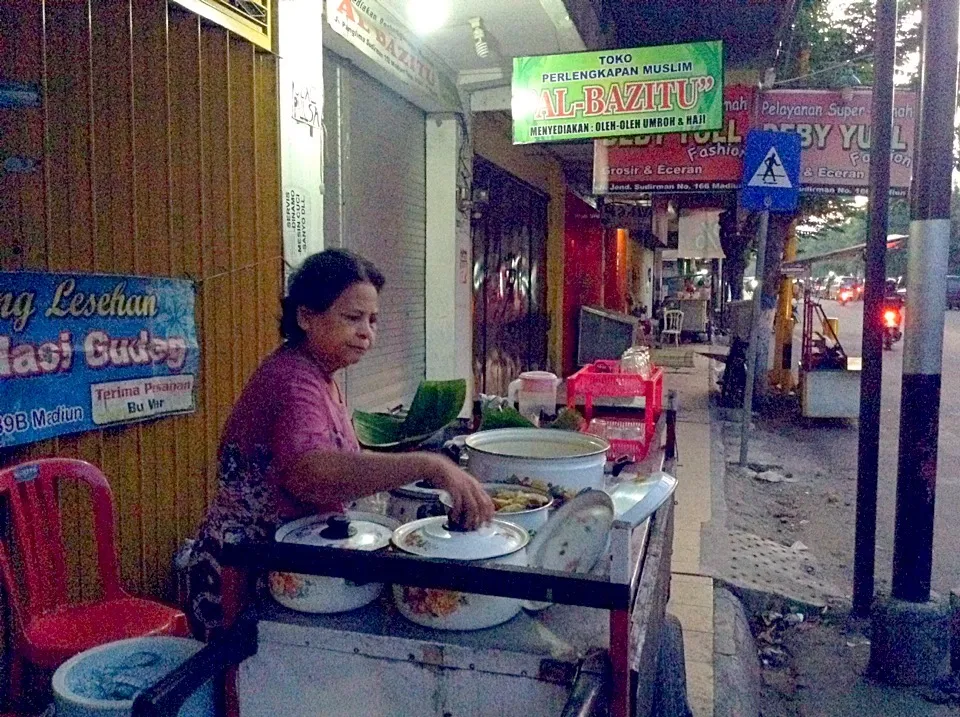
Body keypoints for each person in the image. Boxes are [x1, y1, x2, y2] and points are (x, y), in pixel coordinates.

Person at [187, 249, 494, 638]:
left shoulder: (321, 376)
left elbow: (342, 460)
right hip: (246, 580)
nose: (367, 332)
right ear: (305, 317)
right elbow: (312, 474)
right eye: (352, 318)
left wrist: (419, 471)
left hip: (288, 569)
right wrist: (429, 465)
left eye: (372, 320)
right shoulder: (292, 381)